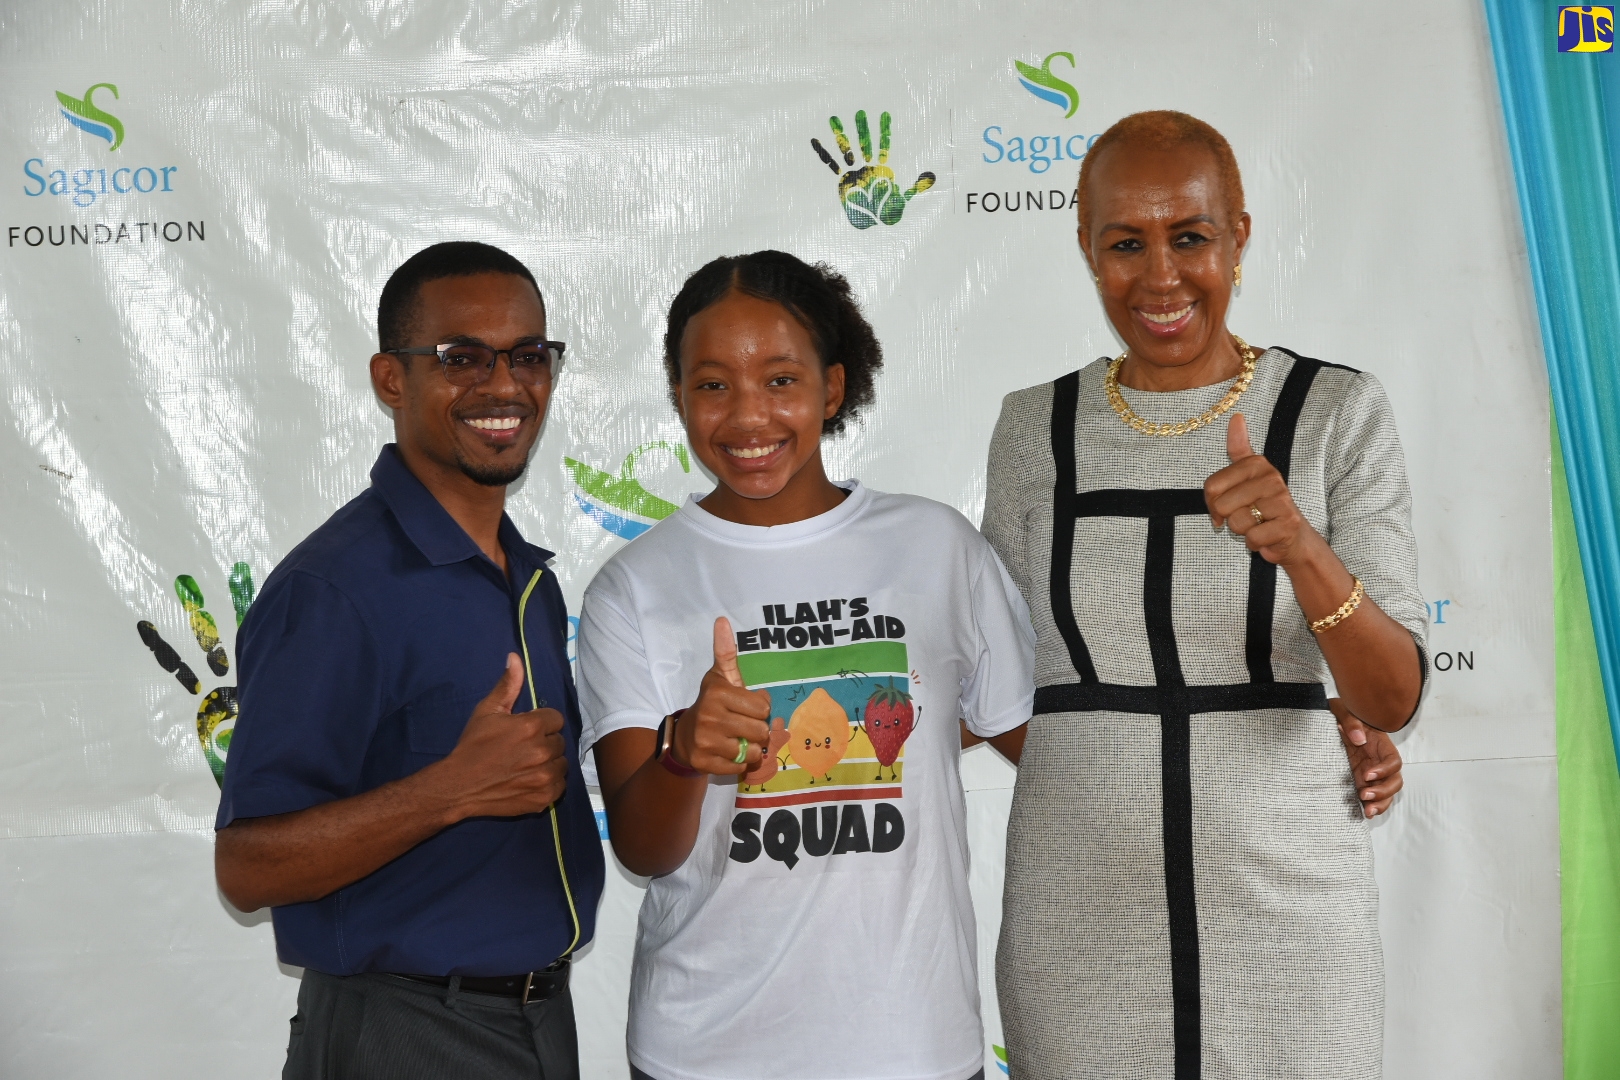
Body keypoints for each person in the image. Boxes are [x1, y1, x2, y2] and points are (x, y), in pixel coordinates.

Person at [983, 111, 1426, 1079]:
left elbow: (1392, 697)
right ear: (1086, 250)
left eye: (1191, 237)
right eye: (1124, 243)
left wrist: (1300, 546)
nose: (1161, 277)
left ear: (1240, 237)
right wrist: (1109, 768)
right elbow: (997, 686)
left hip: (1290, 914)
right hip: (1080, 921)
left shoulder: (1335, 412)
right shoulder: (1034, 430)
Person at [576, 251, 1033, 1080]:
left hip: (913, 1045)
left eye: (780, 380)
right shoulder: (635, 588)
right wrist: (683, 749)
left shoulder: (936, 549)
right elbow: (643, 851)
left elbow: (1054, 747)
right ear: (678, 396)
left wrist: (1271, 730)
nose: (748, 416)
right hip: (705, 1051)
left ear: (833, 386)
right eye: (712, 384)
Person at [214, 241, 605, 1079]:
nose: (505, 386)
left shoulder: (525, 574)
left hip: (536, 1022)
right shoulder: (336, 588)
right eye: (463, 357)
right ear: (392, 379)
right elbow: (246, 867)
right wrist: (451, 791)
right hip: (403, 1033)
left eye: (529, 355)